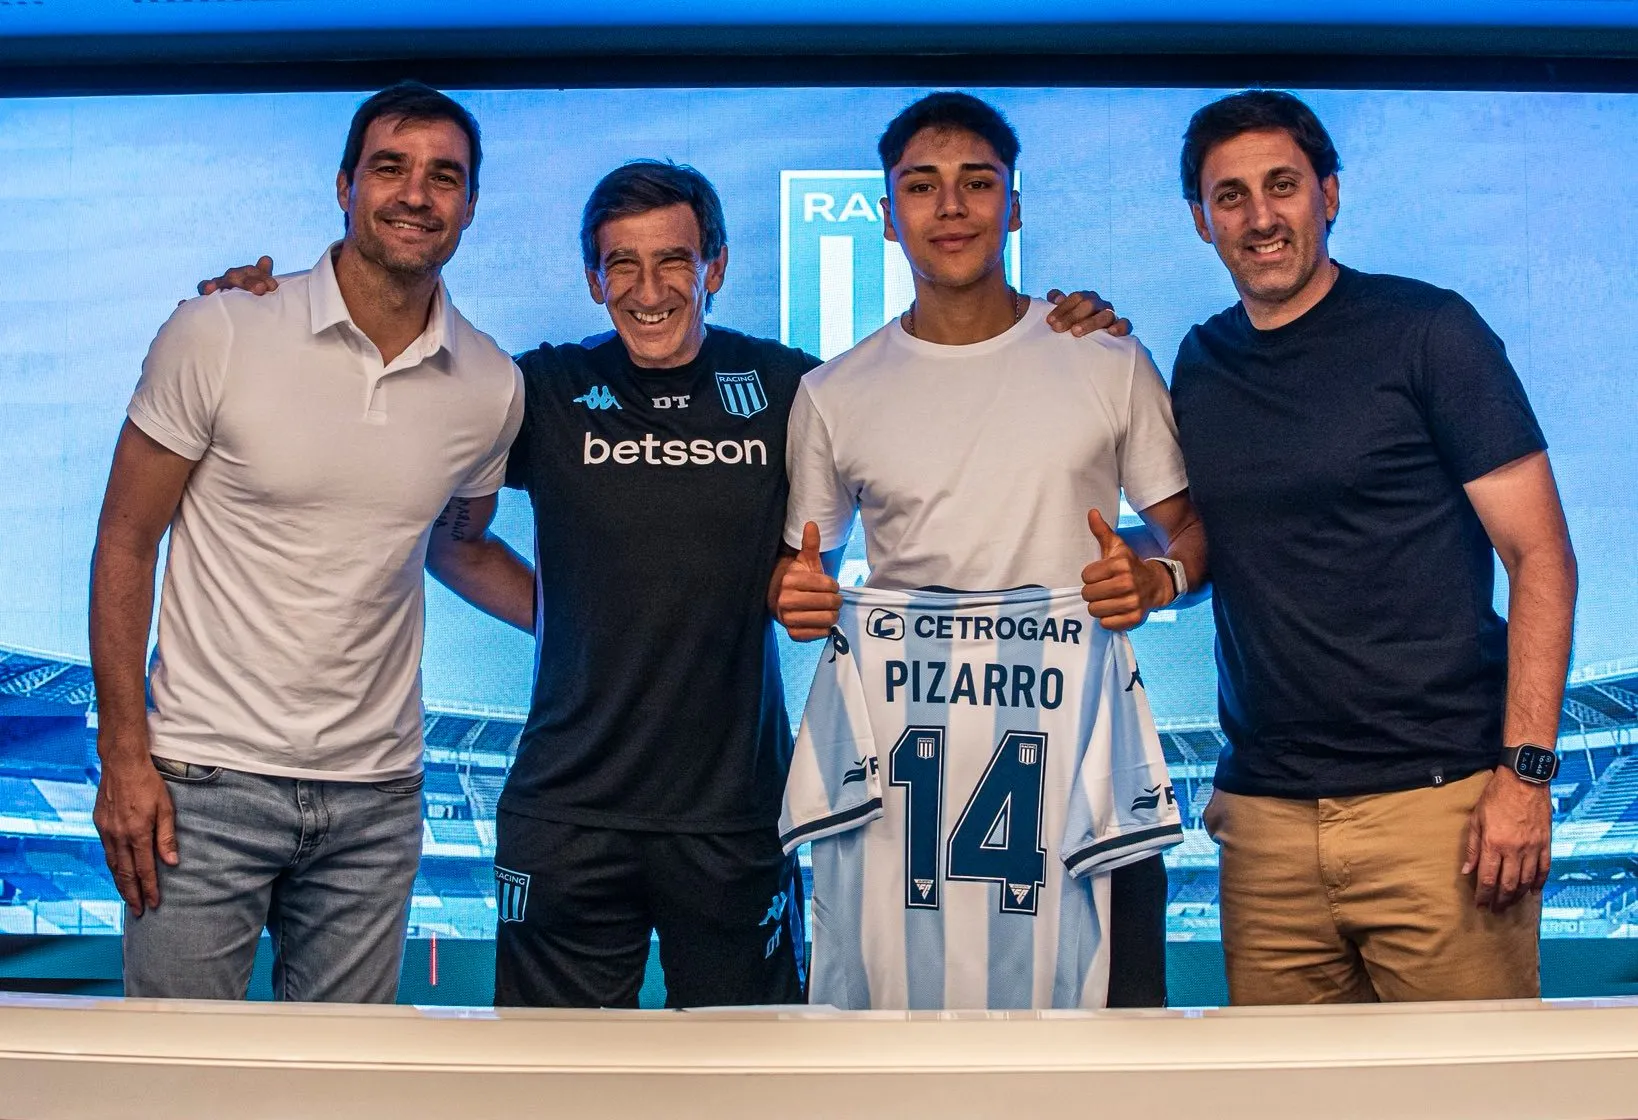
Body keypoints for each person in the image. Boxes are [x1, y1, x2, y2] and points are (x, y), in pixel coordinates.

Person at [202, 157, 1125, 1008]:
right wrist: (266, 317)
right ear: (593, 279)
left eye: (674, 261)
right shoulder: (540, 391)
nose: (649, 292)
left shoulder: (788, 388)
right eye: (622, 267)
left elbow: (939, 414)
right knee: (554, 1087)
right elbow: (454, 538)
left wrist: (1052, 327)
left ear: (715, 266)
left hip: (733, 815)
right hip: (567, 813)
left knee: (747, 1082)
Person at [90, 81, 525, 1002]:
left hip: (376, 798)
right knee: (175, 1083)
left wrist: (607, 622)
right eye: (390, 168)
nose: (416, 194)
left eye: (444, 177)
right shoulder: (220, 330)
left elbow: (457, 543)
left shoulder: (489, 384)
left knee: (339, 1090)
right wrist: (125, 756)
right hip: (203, 783)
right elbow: (127, 540)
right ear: (344, 185)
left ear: (471, 206)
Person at [774, 91, 1207, 1008]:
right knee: (888, 1052)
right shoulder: (834, 392)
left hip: (1079, 767)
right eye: (922, 187)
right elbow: (801, 572)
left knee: (1108, 1059)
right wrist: (800, 599)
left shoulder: (1105, 358)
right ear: (888, 218)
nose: (953, 206)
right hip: (906, 785)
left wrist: (1159, 579)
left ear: (1016, 204)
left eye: (978, 183)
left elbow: (1194, 537)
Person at [1172, 89, 1578, 1004]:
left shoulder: (1429, 331)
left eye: (1282, 185)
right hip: (1265, 826)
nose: (1260, 216)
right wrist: (1147, 570)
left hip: (1443, 814)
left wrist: (1526, 776)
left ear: (1331, 193)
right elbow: (1211, 544)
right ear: (1201, 220)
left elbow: (1542, 555)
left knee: (1474, 1101)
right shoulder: (1199, 362)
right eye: (1229, 196)